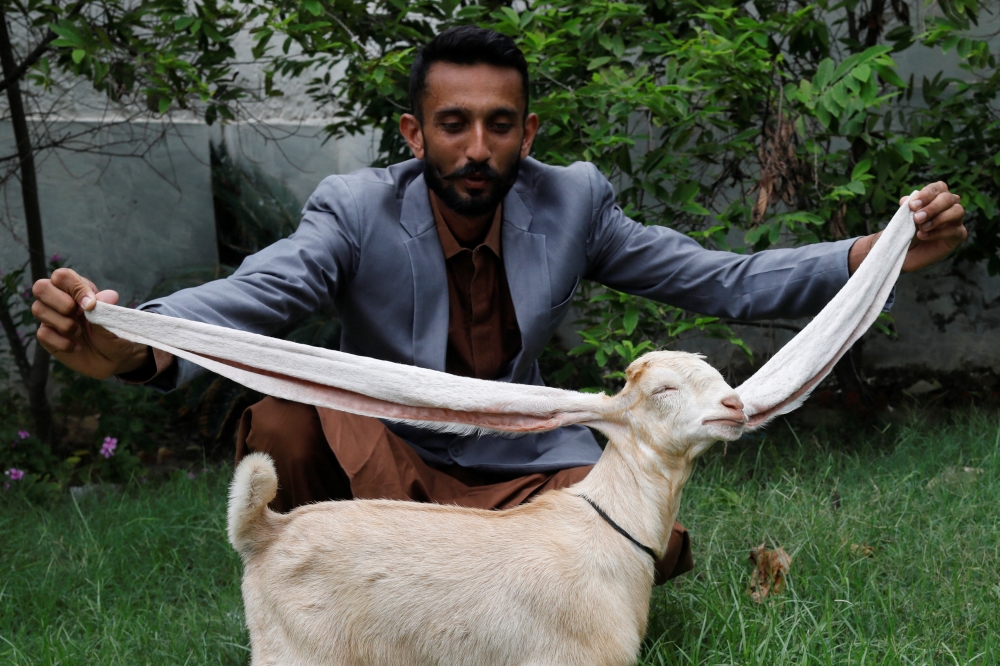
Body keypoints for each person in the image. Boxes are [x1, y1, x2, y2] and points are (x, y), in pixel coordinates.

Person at [31, 27, 966, 583]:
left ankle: (474, 585)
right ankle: (350, 599)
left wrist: (869, 255)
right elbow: (257, 295)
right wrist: (131, 341)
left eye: (500, 124)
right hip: (384, 451)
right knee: (283, 424)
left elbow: (718, 278)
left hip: (516, 458)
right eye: (453, 124)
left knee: (656, 550)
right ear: (414, 132)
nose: (477, 147)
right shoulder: (355, 211)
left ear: (527, 131)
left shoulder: (573, 203)